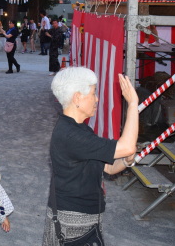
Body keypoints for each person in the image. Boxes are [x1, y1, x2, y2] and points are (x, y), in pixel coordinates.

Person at [42, 67, 139, 245]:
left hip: (83, 216)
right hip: (73, 221)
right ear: (77, 98)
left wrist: (125, 160)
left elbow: (108, 167)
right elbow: (127, 146)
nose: (97, 99)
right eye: (93, 93)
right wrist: (133, 105)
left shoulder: (78, 129)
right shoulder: (72, 135)